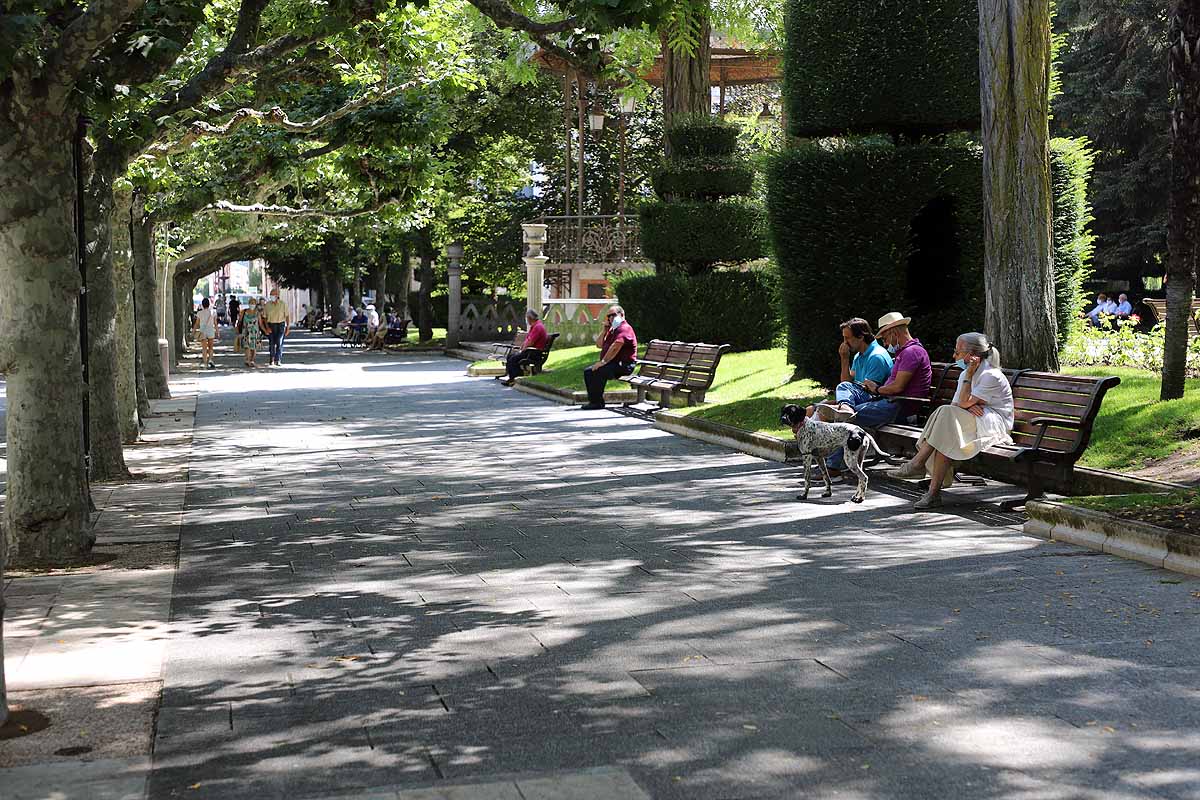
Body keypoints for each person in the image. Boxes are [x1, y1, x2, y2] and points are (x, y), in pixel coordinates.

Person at [888, 332, 1014, 510]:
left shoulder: (990, 375)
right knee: (946, 426)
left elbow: (959, 404)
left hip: (995, 423)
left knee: (946, 415)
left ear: (972, 355)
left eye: (958, 352)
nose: (954, 357)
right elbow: (958, 404)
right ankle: (932, 493)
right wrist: (969, 405)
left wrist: (967, 396)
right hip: (973, 418)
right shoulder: (964, 375)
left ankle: (917, 464)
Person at [580, 304, 637, 410]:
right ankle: (594, 401)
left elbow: (616, 346)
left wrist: (603, 362)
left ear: (622, 315)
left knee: (598, 371)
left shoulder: (624, 328)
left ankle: (597, 403)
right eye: (608, 316)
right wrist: (605, 330)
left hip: (624, 365)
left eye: (613, 315)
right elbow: (599, 345)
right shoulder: (613, 330)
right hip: (613, 364)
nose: (610, 318)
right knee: (588, 371)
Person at [500, 310, 549, 386]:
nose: (526, 320)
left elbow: (531, 342)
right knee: (510, 356)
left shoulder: (537, 327)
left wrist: (522, 350)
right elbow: (528, 340)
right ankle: (512, 378)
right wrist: (522, 348)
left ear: (530, 318)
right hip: (530, 352)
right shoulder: (535, 326)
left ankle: (517, 378)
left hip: (534, 353)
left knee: (513, 359)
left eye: (526, 318)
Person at [262, 288, 291, 366]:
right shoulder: (267, 305)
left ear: (277, 295)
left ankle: (278, 359)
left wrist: (288, 327)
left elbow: (287, 316)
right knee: (271, 343)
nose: (272, 296)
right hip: (271, 325)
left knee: (279, 342)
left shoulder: (283, 304)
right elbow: (264, 317)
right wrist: (267, 327)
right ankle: (271, 359)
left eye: (273, 294)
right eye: (271, 295)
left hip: (281, 325)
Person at [238, 297, 266, 367]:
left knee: (254, 348)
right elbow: (239, 322)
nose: (252, 305)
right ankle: (247, 360)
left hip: (255, 333)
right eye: (251, 303)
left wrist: (265, 330)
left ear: (255, 304)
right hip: (246, 332)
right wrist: (238, 331)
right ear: (248, 304)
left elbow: (260, 324)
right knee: (247, 347)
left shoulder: (257, 313)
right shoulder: (244, 312)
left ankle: (252, 360)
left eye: (253, 303)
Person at [193, 297, 217, 369]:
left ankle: (205, 363)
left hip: (203, 331)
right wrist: (217, 331)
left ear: (202, 305)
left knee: (204, 348)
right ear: (209, 304)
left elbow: (197, 323)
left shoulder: (199, 313)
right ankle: (210, 359)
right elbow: (215, 323)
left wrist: (193, 331)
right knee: (211, 347)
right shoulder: (213, 312)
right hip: (210, 330)